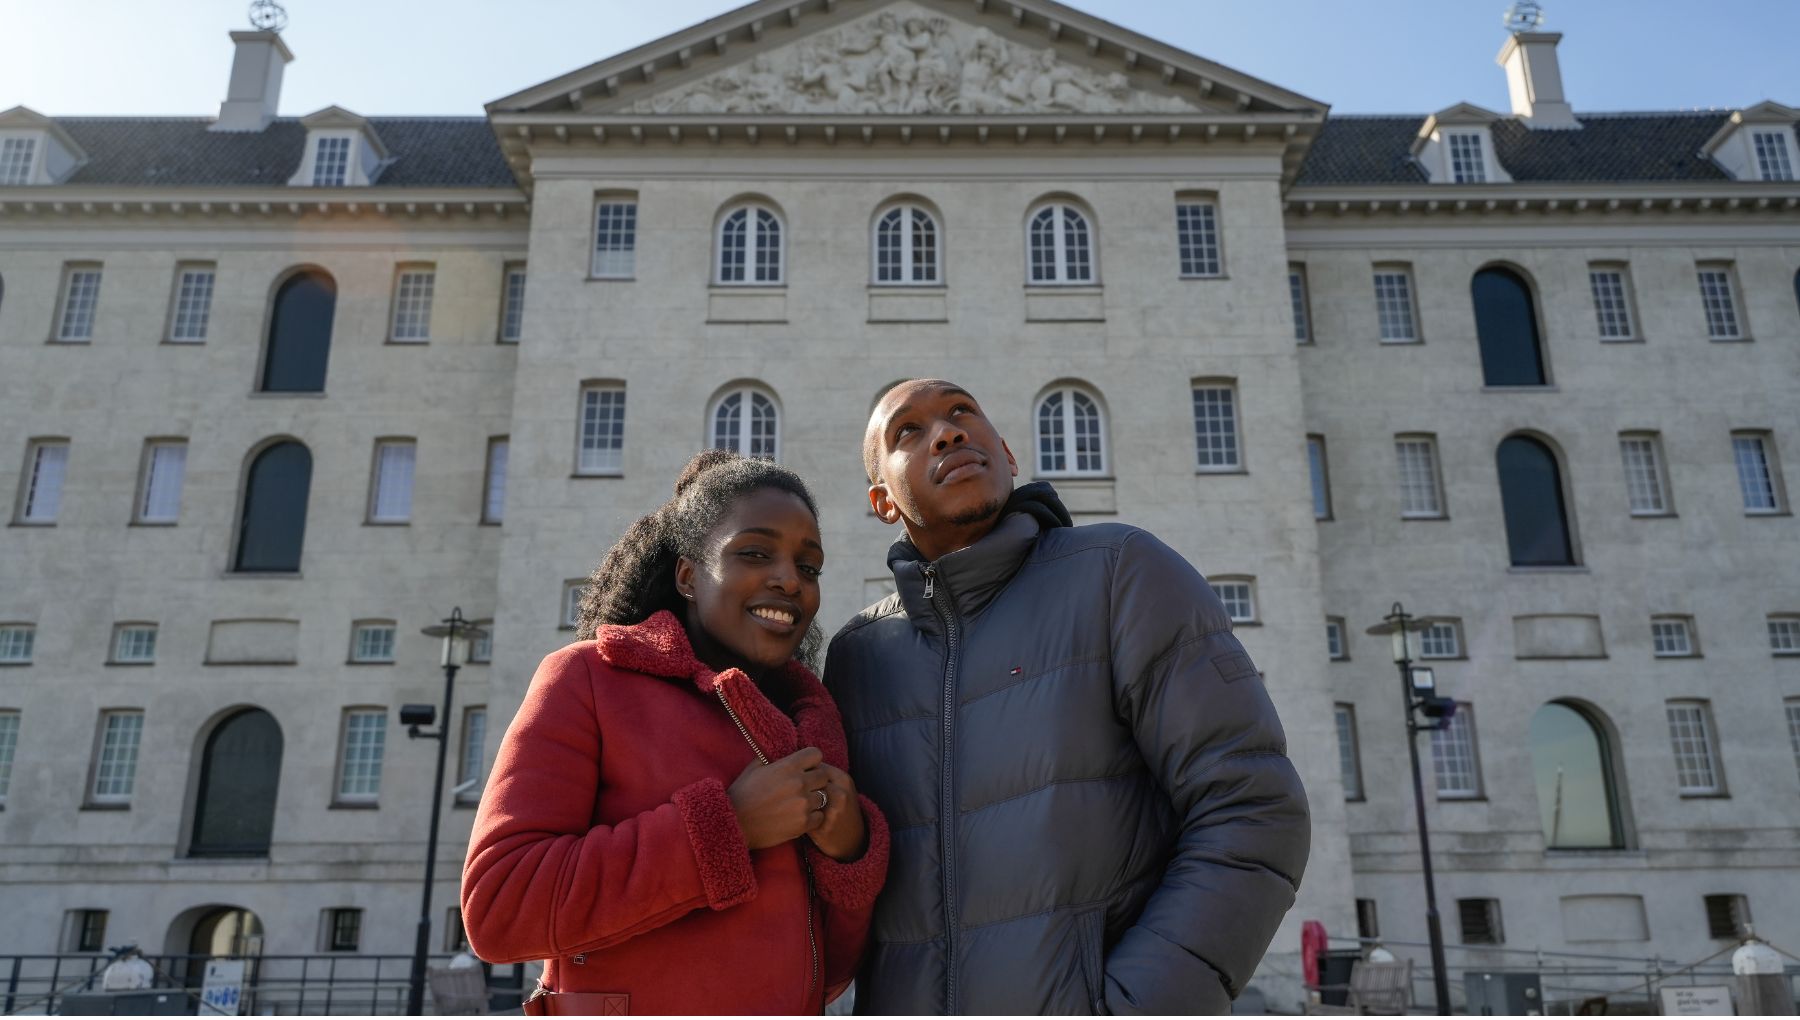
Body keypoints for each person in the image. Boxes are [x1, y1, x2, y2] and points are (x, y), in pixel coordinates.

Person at [825, 379, 1310, 1014]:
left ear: (1007, 454)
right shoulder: (858, 656)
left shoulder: (1119, 573)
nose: (947, 431)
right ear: (881, 500)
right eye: (907, 432)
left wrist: (1137, 1005)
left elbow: (1253, 806)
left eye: (962, 411)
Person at [462, 450, 889, 1016]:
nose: (790, 580)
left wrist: (849, 853)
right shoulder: (587, 678)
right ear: (688, 575)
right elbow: (500, 907)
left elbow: (828, 974)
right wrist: (727, 827)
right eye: (755, 553)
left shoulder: (807, 726)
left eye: (808, 567)